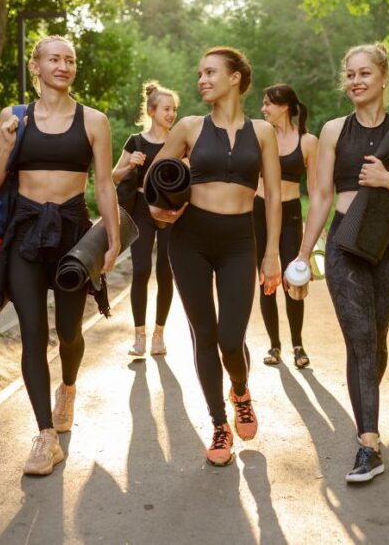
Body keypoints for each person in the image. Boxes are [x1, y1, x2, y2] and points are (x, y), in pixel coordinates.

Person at [291, 44, 389, 483]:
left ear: (384, 77)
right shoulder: (334, 130)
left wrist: (388, 179)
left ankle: (366, 407)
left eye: (364, 73)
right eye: (349, 74)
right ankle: (368, 444)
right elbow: (321, 197)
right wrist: (301, 253)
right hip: (343, 244)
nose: (355, 81)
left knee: (377, 339)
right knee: (361, 340)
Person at [0, 35, 120, 476]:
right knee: (33, 334)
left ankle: (68, 387)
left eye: (70, 59)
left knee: (69, 332)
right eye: (54, 59)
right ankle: (44, 436)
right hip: (24, 235)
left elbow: (103, 184)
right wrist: (5, 143)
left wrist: (112, 239)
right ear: (36, 67)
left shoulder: (94, 121)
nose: (63, 65)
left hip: (72, 237)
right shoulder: (14, 117)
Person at [148, 46, 282, 467]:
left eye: (210, 72)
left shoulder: (262, 132)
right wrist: (157, 208)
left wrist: (273, 252)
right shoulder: (189, 126)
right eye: (200, 73)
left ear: (235, 78)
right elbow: (155, 175)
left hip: (240, 242)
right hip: (189, 239)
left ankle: (240, 390)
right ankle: (219, 423)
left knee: (230, 337)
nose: (202, 79)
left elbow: (274, 197)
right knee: (203, 333)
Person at [112, 81, 179, 358]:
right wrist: (131, 164)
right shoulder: (135, 141)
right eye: (166, 108)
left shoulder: (179, 140)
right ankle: (139, 337)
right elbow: (115, 175)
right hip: (140, 207)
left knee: (165, 272)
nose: (171, 114)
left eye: (174, 109)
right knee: (141, 270)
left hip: (169, 209)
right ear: (152, 111)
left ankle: (158, 336)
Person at [255, 84, 318, 369]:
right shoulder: (259, 136)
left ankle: (297, 344)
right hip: (259, 212)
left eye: (268, 103)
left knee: (294, 279)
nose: (263, 108)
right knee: (265, 280)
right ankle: (274, 345)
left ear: (284, 106)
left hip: (291, 213)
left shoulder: (307, 142)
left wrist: (315, 241)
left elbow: (317, 193)